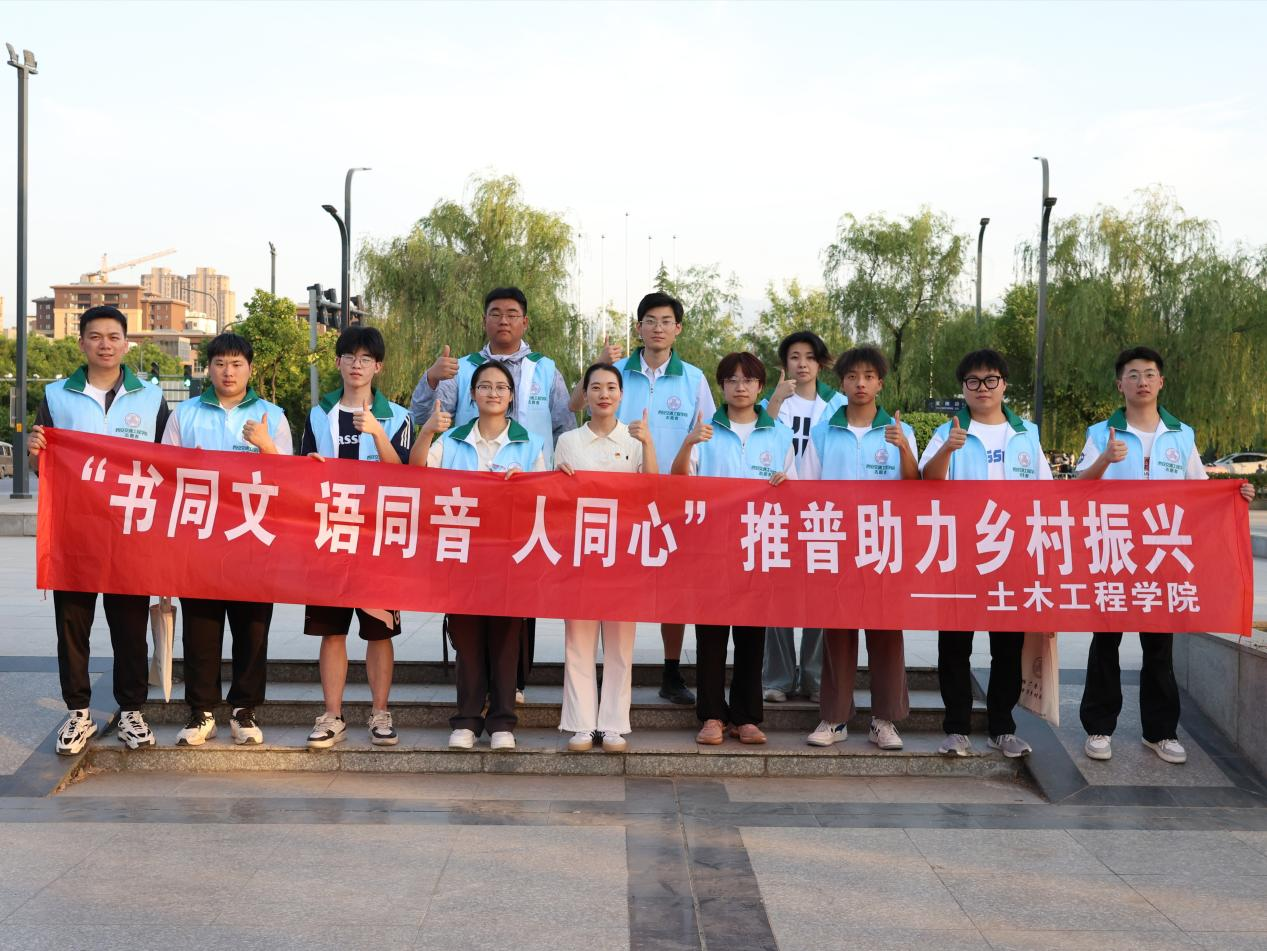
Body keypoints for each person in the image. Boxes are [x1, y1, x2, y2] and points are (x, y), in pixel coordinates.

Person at [1075, 346, 1255, 764]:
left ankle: (1160, 732)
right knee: (1106, 641)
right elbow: (1078, 486)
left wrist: (1236, 494)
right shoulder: (1101, 433)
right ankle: (1099, 727)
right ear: (1120, 384)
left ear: (1161, 382)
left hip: (1162, 551)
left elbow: (1200, 489)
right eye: (1133, 375)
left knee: (1159, 644)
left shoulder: (1181, 434)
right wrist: (1105, 460)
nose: (1142, 381)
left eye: (1149, 374)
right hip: (1115, 548)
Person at [411, 287, 574, 704]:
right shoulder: (463, 368)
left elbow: (563, 424)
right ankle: (475, 681)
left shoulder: (545, 368)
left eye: (512, 314)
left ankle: (513, 682)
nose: (504, 320)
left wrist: (558, 478)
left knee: (521, 590)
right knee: (469, 594)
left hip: (527, 496)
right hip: (469, 501)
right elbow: (423, 417)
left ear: (525, 322)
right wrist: (431, 378)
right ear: (484, 320)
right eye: (496, 313)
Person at [28, 305, 171, 755]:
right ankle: (78, 713)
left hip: (131, 530)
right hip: (74, 531)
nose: (105, 344)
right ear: (81, 343)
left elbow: (170, 463)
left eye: (113, 336)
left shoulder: (150, 398)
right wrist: (35, 452)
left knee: (129, 626)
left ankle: (132, 712)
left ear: (126, 343)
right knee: (73, 625)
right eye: (95, 336)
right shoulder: (56, 396)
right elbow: (43, 464)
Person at [574, 292, 716, 707]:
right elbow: (577, 407)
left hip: (674, 495)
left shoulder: (693, 379)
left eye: (666, 321)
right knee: (612, 582)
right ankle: (609, 671)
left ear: (678, 328)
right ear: (639, 327)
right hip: (617, 495)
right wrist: (597, 364)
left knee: (674, 586)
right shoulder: (615, 371)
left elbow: (707, 434)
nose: (657, 328)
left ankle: (671, 671)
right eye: (650, 320)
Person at [919, 348, 1051, 759]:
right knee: (954, 645)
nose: (982, 388)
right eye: (973, 381)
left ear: (1003, 384)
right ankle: (956, 729)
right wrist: (947, 449)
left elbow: (1047, 492)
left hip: (1012, 553)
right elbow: (926, 482)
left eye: (990, 380)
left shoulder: (1026, 433)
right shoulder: (949, 431)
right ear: (963, 388)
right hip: (959, 552)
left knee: (1007, 646)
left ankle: (1002, 728)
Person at [162, 333, 292, 747]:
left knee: (252, 628)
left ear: (250, 368)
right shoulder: (184, 414)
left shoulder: (272, 415)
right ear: (209, 368)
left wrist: (266, 445)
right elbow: (164, 474)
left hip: (253, 538)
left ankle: (244, 710)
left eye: (236, 364)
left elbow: (292, 482)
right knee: (200, 629)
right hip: (200, 539)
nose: (228, 372)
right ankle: (201, 712)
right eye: (219, 363)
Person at [412, 359, 546, 751]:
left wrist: (524, 486)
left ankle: (502, 722)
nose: (492, 393)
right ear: (473, 394)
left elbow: (543, 498)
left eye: (501, 387)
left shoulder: (530, 443)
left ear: (511, 396)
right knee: (468, 641)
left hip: (509, 557)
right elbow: (417, 472)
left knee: (505, 642)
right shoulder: (452, 439)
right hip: (462, 556)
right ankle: (467, 720)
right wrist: (427, 432)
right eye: (484, 386)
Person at [672, 352, 796, 745]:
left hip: (758, 545)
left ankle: (746, 717)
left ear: (760, 387)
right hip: (712, 546)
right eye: (732, 380)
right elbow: (680, 481)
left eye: (748, 380)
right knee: (710, 635)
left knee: (751, 637)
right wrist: (688, 443)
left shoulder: (778, 434)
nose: (740, 387)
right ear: (721, 386)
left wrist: (785, 483)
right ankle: (711, 715)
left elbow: (795, 490)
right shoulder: (706, 430)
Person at [299, 326, 413, 750]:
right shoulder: (318, 414)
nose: (357, 365)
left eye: (366, 359)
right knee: (332, 631)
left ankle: (380, 713)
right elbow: (302, 472)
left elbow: (406, 476)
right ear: (338, 362)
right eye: (350, 356)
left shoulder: (397, 416)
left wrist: (378, 433)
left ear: (378, 367)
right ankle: (332, 715)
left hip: (378, 538)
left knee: (379, 631)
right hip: (331, 534)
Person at [800, 346, 914, 749]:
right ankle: (834, 718)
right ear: (842, 383)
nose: (860, 384)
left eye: (868, 376)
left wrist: (903, 448)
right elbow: (807, 490)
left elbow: (915, 489)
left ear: (880, 383)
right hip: (836, 542)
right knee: (838, 633)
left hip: (884, 543)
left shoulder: (899, 430)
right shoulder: (823, 432)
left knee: (886, 633)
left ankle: (885, 720)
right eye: (852, 377)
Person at [555, 363, 657, 752]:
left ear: (621, 394)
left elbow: (652, 490)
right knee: (578, 642)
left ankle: (613, 724)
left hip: (623, 553)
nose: (603, 394)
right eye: (595, 387)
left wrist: (648, 445)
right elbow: (556, 498)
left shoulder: (634, 439)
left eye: (611, 387)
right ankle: (582, 724)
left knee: (619, 645)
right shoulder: (569, 440)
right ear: (585, 395)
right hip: (580, 553)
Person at [758, 330, 845, 704]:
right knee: (776, 594)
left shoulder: (838, 402)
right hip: (779, 510)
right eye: (794, 357)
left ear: (821, 363)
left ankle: (814, 677)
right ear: (784, 364)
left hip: (824, 512)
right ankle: (777, 678)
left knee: (821, 596)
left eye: (810, 357)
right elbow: (759, 438)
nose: (802, 364)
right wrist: (776, 399)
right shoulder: (772, 401)